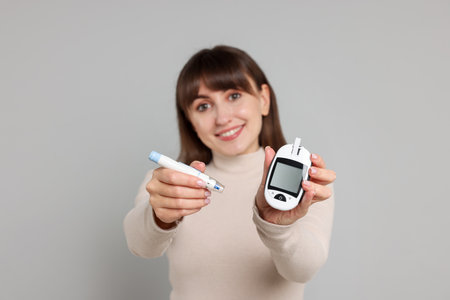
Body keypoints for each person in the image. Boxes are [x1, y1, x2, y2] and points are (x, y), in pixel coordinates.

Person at [123, 45, 336, 300]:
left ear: (263, 99)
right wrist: (160, 216)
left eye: (234, 96)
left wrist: (277, 227)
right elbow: (141, 246)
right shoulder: (170, 183)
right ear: (190, 120)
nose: (222, 117)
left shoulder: (308, 182)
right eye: (203, 106)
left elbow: (303, 270)